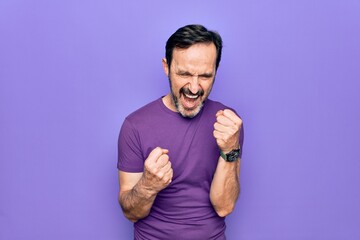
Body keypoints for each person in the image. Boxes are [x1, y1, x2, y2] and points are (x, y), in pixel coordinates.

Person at [117, 24, 244, 240]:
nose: (194, 88)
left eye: (205, 76)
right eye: (184, 74)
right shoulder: (134, 125)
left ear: (216, 70)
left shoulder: (228, 123)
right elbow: (131, 213)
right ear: (166, 67)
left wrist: (230, 150)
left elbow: (224, 207)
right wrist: (148, 185)